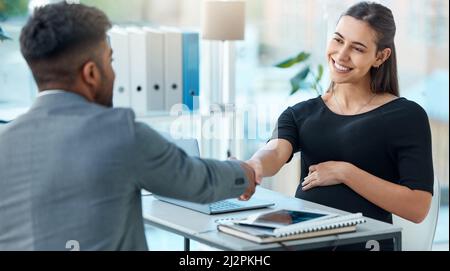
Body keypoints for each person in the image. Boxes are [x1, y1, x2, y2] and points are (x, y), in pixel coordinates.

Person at [0, 2, 256, 251]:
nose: (113, 73)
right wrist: (243, 172)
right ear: (91, 73)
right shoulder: (119, 134)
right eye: (110, 61)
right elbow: (198, 181)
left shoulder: (4, 141)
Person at [246, 2, 434, 251]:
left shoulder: (406, 116)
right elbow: (275, 151)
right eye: (338, 40)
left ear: (381, 56)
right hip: (301, 242)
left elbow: (417, 207)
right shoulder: (300, 113)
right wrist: (251, 167)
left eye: (357, 48)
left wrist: (346, 173)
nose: (342, 55)